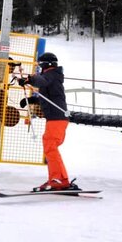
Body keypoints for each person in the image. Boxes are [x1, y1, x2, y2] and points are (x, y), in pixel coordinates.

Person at [17, 52, 77, 192]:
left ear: (46, 65)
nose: (39, 67)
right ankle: (59, 179)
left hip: (57, 118)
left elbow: (41, 81)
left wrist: (29, 79)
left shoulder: (52, 74)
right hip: (55, 118)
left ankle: (58, 179)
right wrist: (32, 100)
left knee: (50, 146)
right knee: (50, 147)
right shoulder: (52, 77)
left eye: (40, 65)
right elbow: (49, 97)